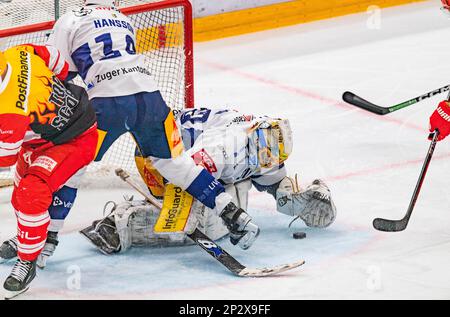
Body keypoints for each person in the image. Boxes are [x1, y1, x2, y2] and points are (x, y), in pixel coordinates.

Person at [44, 0, 258, 251]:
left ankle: (45, 241)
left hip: (107, 105)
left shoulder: (70, 19)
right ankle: (232, 213)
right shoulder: (121, 18)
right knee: (175, 164)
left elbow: (57, 74)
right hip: (151, 100)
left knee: (72, 171)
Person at [80, 107, 337, 254]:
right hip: (159, 155)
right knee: (192, 219)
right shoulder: (226, 144)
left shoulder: (264, 144)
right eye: (268, 157)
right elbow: (189, 178)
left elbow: (271, 176)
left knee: (231, 199)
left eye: (275, 159)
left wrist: (291, 198)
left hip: (201, 162)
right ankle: (119, 224)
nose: (271, 162)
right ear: (256, 141)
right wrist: (230, 214)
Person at [0, 44, 98, 298]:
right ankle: (31, 238)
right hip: (44, 137)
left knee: (31, 194)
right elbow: (60, 65)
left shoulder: (9, 112)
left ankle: (27, 261)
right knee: (20, 195)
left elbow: (4, 159)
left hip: (74, 140)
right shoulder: (17, 53)